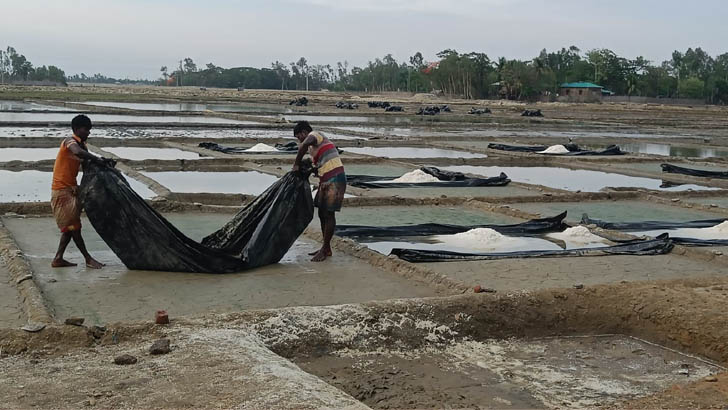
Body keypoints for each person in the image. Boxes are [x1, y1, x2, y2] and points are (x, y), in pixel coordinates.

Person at [50, 114, 109, 269]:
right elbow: (77, 152)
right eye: (86, 129)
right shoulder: (69, 142)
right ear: (77, 129)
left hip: (72, 190)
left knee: (70, 227)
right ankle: (88, 259)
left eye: (89, 129)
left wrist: (103, 163)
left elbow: (87, 164)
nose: (88, 132)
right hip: (61, 191)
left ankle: (58, 259)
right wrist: (97, 159)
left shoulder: (83, 146)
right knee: (74, 227)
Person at [292, 121, 346, 262]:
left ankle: (325, 248)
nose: (299, 140)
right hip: (325, 180)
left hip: (335, 178)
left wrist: (296, 164)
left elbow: (303, 145)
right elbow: (317, 166)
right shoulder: (313, 150)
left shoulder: (315, 135)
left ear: (304, 132)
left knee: (328, 213)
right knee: (322, 213)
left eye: (299, 136)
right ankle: (325, 247)